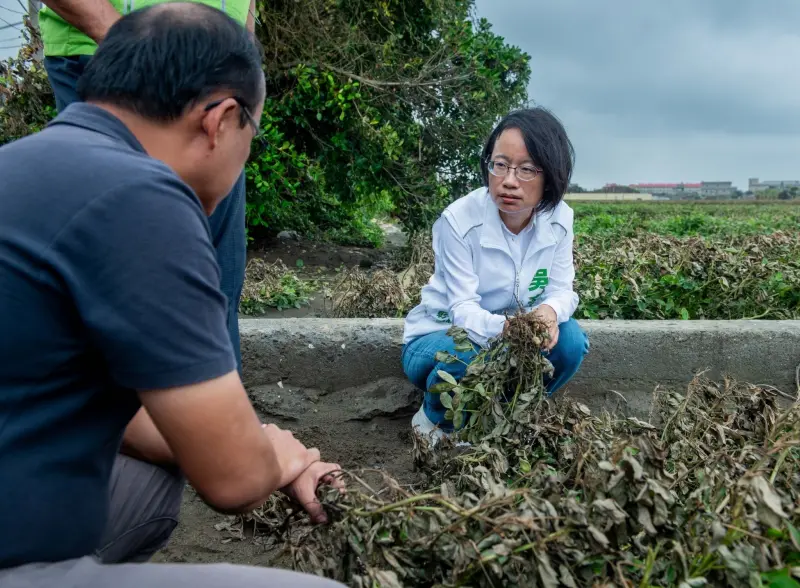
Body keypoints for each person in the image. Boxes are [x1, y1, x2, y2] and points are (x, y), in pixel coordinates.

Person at [0, 4, 344, 586]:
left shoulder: (26, 161)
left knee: (153, 478)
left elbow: (128, 418)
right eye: (251, 135)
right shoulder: (143, 199)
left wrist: (257, 440)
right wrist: (277, 456)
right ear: (221, 120)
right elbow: (233, 481)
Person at [37, 0, 257, 373]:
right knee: (127, 282)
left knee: (210, 284)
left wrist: (244, 63)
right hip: (108, 50)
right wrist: (135, 46)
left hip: (219, 69)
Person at [401, 107, 590, 446]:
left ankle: (508, 410)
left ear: (551, 175)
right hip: (439, 338)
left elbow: (563, 290)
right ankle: (432, 419)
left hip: (505, 339)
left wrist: (548, 313)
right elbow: (462, 310)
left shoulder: (560, 219)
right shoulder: (459, 220)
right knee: (470, 351)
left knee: (571, 340)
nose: (509, 180)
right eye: (500, 164)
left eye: (527, 169)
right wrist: (508, 330)